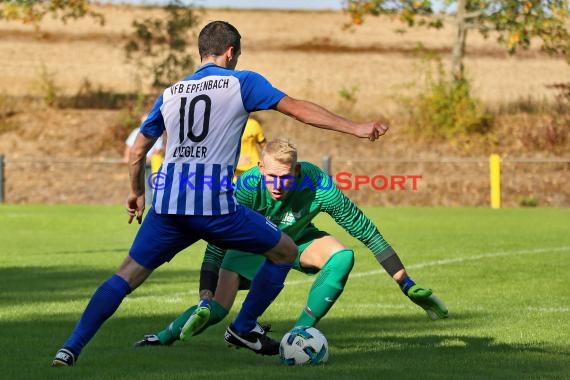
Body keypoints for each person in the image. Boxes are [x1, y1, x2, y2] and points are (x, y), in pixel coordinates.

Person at [51, 20, 388, 367]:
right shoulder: (242, 82)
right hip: (213, 205)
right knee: (285, 250)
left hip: (167, 203)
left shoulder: (170, 93)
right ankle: (244, 327)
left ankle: (70, 347)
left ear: (201, 52)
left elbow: (138, 151)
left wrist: (137, 193)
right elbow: (298, 108)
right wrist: (357, 128)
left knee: (126, 276)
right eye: (237, 55)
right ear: (231, 52)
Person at [134, 138, 448, 348]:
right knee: (216, 310)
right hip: (249, 244)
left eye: (285, 177)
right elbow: (216, 243)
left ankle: (298, 333)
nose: (278, 185)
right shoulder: (245, 189)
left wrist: (405, 282)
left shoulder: (319, 186)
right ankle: (161, 338)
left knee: (342, 257)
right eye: (271, 177)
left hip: (296, 242)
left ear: (296, 172)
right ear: (260, 170)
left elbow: (365, 229)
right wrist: (204, 295)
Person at [123, 123, 165, 204]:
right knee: (142, 184)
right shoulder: (137, 131)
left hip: (151, 162)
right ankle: (145, 201)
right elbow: (130, 146)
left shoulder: (156, 130)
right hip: (140, 160)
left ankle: (148, 202)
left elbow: (158, 149)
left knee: (149, 184)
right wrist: (127, 156)